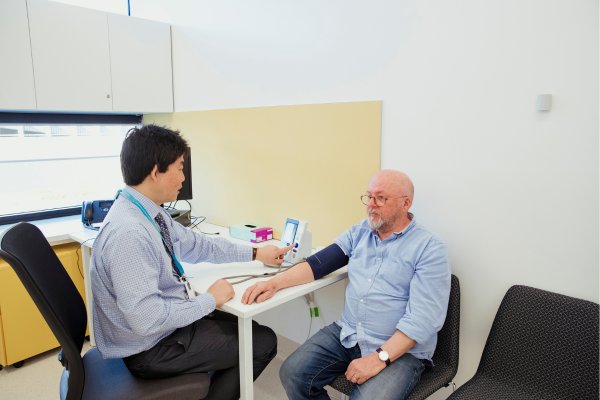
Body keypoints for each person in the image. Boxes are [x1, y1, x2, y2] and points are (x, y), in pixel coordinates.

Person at [90, 124, 294, 400]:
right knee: (262, 342)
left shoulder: (147, 212)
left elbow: (199, 245)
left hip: (160, 328)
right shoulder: (130, 234)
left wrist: (256, 253)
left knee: (247, 329)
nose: (183, 178)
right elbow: (147, 321)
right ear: (156, 172)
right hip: (149, 349)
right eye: (180, 168)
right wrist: (209, 300)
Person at [241, 169, 451, 400]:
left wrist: (378, 358)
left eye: (381, 198)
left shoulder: (429, 248)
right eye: (369, 196)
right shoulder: (361, 231)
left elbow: (423, 320)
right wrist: (274, 283)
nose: (371, 204)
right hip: (350, 332)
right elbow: (318, 265)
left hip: (399, 349)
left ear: (405, 203)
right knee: (293, 373)